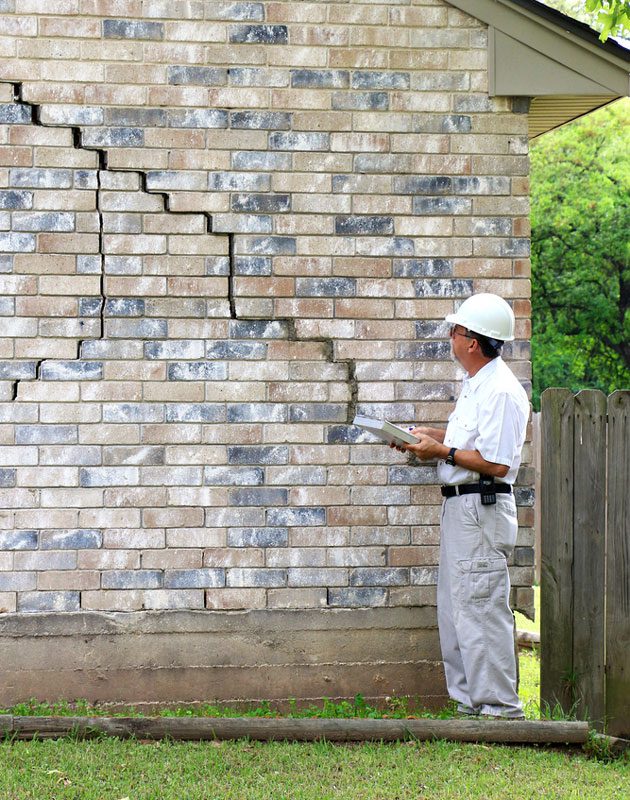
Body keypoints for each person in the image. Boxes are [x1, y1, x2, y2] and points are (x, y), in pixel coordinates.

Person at [392, 292, 529, 719]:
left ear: (472, 341)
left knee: (481, 607)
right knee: (458, 607)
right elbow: (469, 442)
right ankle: (470, 705)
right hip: (462, 508)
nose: (450, 335)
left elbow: (497, 462)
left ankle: (500, 711)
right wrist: (427, 437)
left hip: (480, 507)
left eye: (456, 330)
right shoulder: (477, 384)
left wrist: (441, 452)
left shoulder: (501, 391)